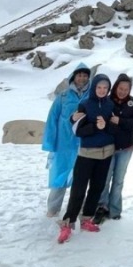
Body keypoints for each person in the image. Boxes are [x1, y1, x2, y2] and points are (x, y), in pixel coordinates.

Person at [57, 74, 117, 243]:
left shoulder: (110, 104)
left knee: (97, 188)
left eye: (105, 88)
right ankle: (68, 223)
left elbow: (114, 129)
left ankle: (86, 219)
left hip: (106, 153)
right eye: (99, 87)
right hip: (87, 153)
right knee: (78, 189)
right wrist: (94, 127)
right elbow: (77, 129)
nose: (102, 90)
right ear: (94, 87)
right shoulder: (85, 105)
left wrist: (108, 126)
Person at [43, 62, 91, 218]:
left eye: (85, 75)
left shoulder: (92, 95)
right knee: (60, 176)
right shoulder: (63, 96)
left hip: (84, 143)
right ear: (74, 77)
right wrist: (50, 143)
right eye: (79, 75)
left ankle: (81, 207)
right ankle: (53, 209)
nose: (82, 78)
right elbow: (52, 119)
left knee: (83, 177)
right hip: (64, 144)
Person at [94, 73, 133, 223]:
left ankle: (114, 209)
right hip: (109, 146)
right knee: (105, 178)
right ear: (116, 87)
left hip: (126, 147)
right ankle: (102, 206)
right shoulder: (108, 101)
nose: (123, 91)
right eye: (120, 88)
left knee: (119, 180)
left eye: (126, 89)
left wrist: (120, 121)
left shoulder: (132, 102)